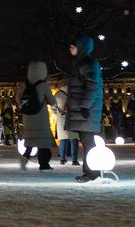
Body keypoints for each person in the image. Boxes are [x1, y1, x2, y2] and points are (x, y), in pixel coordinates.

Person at [64, 35, 104, 182]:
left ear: (80, 47)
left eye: (72, 46)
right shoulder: (81, 63)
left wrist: (85, 106)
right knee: (87, 141)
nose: (70, 48)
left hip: (87, 111)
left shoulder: (87, 63)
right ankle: (91, 172)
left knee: (88, 142)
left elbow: (92, 87)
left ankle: (92, 174)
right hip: (84, 110)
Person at [18, 60, 57, 170]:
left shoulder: (23, 85)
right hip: (41, 119)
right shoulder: (43, 86)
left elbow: (18, 100)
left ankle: (25, 157)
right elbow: (52, 101)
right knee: (44, 144)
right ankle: (44, 165)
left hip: (27, 118)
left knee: (30, 140)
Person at [52, 85, 79, 166]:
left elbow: (53, 107)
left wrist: (58, 114)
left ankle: (62, 159)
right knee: (74, 140)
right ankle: (74, 160)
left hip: (61, 119)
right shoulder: (75, 93)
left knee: (63, 139)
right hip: (73, 118)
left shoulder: (57, 94)